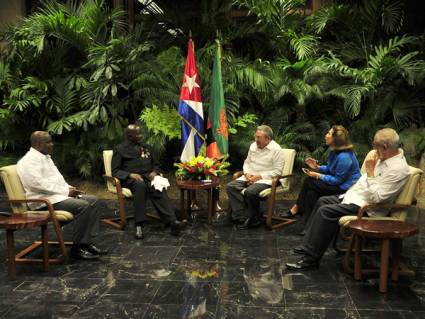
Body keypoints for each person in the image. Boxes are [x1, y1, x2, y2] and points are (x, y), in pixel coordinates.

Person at [285, 128, 410, 271]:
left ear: (385, 147)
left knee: (326, 211)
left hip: (368, 207)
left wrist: (369, 174)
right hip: (355, 196)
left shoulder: (398, 169)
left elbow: (378, 198)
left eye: (375, 146)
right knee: (322, 201)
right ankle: (308, 246)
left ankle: (310, 260)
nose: (373, 150)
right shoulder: (383, 157)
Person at [17, 131, 107, 260]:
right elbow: (37, 185)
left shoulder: (46, 157)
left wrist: (69, 188)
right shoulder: (28, 162)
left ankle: (86, 243)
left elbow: (58, 179)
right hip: (42, 202)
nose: (52, 144)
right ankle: (76, 250)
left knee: (94, 200)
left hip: (56, 197)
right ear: (38, 144)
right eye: (49, 142)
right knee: (83, 206)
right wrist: (65, 192)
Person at [111, 124, 184, 239]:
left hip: (147, 177)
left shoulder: (147, 147)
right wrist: (130, 174)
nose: (141, 136)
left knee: (156, 186)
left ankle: (172, 222)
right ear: (130, 136)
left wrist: (155, 172)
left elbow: (156, 164)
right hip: (130, 180)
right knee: (140, 185)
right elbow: (115, 171)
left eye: (141, 133)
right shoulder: (120, 149)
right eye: (138, 134)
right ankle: (139, 225)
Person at [285, 125, 361, 233]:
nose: (326, 135)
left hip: (345, 188)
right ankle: (308, 226)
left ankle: (298, 208)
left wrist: (318, 175)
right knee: (312, 192)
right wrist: (318, 167)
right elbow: (331, 169)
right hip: (337, 184)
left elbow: (338, 180)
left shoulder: (344, 157)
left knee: (309, 182)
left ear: (335, 139)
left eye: (329, 133)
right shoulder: (334, 151)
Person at [226, 125, 285, 230]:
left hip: (267, 179)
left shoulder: (277, 150)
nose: (256, 140)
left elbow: (278, 171)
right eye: (256, 137)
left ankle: (254, 218)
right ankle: (242, 216)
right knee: (231, 186)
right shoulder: (253, 146)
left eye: (258, 137)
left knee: (250, 191)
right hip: (250, 176)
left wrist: (259, 177)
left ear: (268, 139)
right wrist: (247, 173)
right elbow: (247, 162)